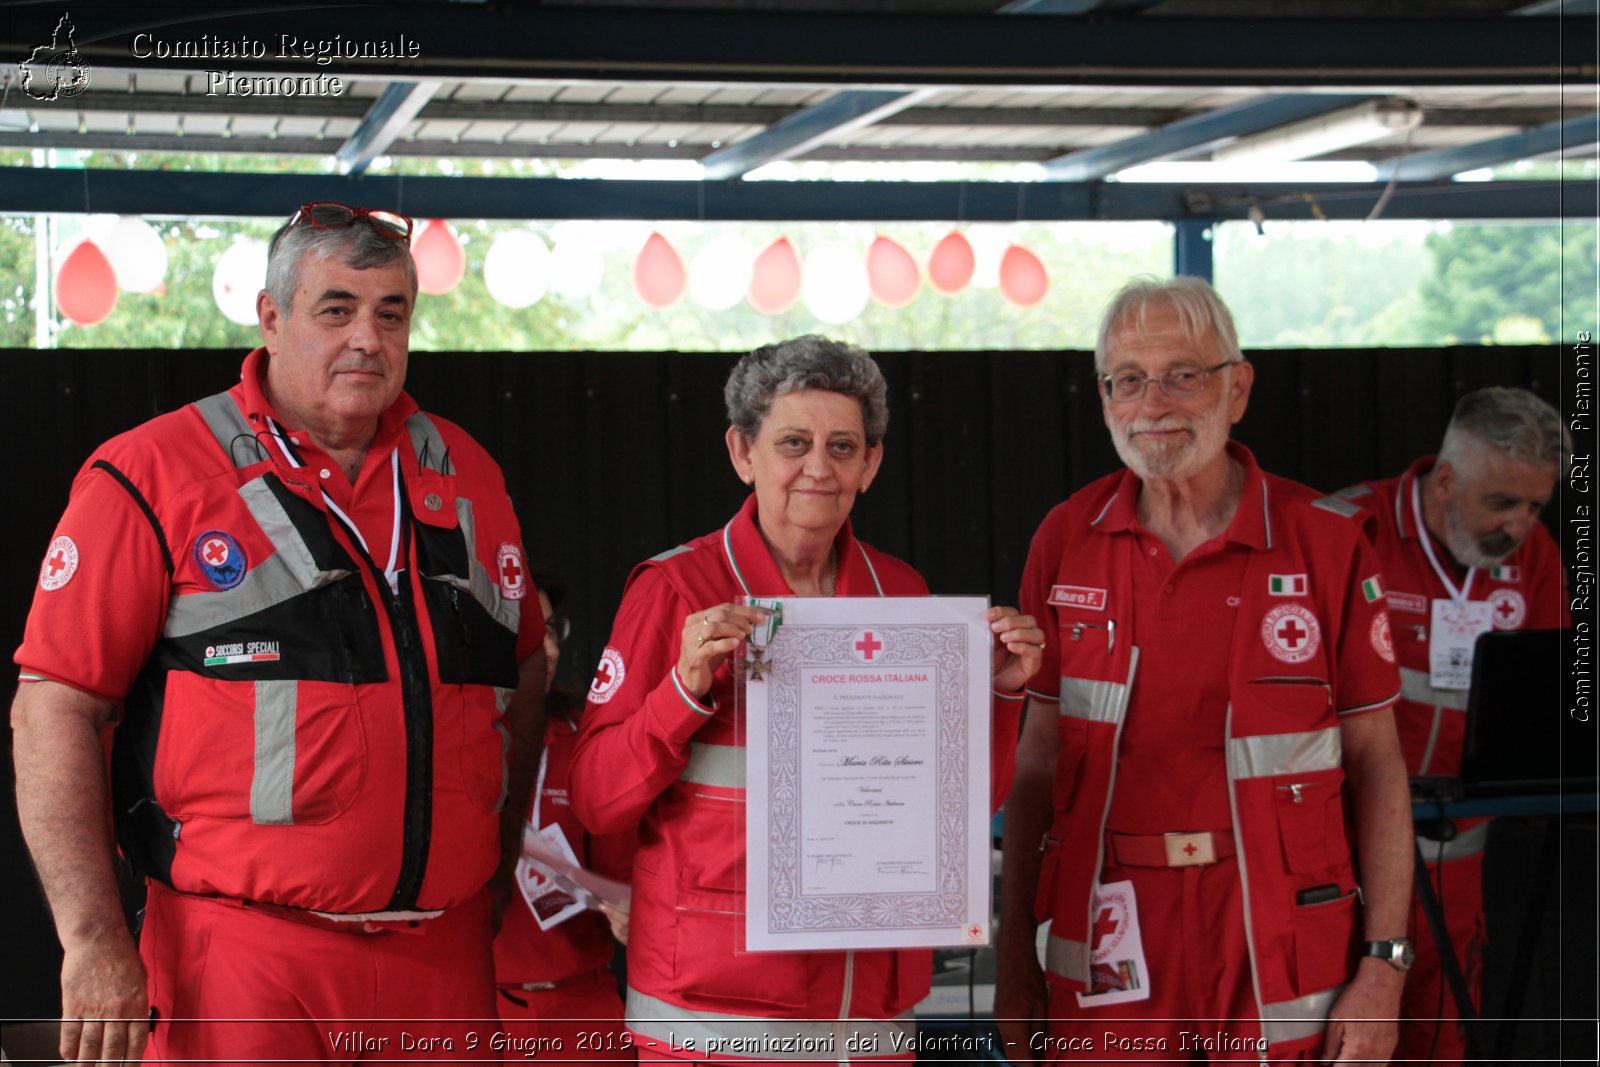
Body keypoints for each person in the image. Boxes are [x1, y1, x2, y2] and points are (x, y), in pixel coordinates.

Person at [11, 202, 547, 1065]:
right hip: (241, 957)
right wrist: (92, 936)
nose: (367, 338)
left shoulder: (466, 472)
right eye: (336, 308)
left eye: (391, 312)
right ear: (271, 316)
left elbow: (520, 681)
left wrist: (493, 868)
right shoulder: (152, 473)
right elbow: (52, 711)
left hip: (442, 959)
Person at [568, 335, 1044, 1062]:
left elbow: (953, 816)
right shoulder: (674, 590)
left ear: (871, 463)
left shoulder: (903, 597)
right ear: (742, 452)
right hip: (714, 1023)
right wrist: (681, 692)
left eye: (843, 446)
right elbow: (596, 799)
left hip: (870, 1020)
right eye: (794, 441)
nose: (818, 468)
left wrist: (1004, 695)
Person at [996, 277, 1412, 1065]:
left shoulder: (1326, 542)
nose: (1154, 401)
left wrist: (1385, 966)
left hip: (1279, 928)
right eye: (1128, 378)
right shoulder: (1066, 537)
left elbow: (1378, 764)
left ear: (1239, 387)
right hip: (1110, 926)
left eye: (1184, 373)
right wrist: (1014, 953)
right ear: (1105, 396)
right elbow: (1037, 761)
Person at [1336, 386, 1569, 1065]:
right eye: (1502, 501)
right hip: (1347, 860)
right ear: (1444, 478)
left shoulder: (1536, 557)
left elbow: (1553, 695)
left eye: (1534, 505)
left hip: (1458, 860)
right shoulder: (1350, 529)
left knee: (1439, 1041)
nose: (1520, 525)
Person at [494, 565, 636, 1062]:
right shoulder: (447, 746)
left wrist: (628, 909)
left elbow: (621, 878)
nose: (549, 648)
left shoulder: (586, 743)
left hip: (584, 1009)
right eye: (528, 633)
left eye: (551, 630)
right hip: (480, 1010)